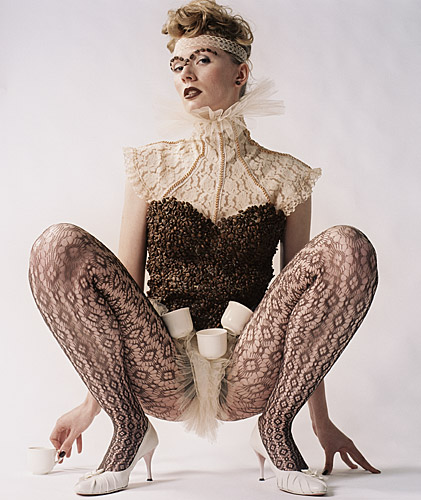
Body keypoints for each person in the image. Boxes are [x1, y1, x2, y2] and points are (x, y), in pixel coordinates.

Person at [28, 0, 380, 496]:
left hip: (250, 367)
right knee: (56, 246)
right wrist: (93, 406)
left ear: (241, 73)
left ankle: (275, 429)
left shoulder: (287, 176)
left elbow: (308, 312)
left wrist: (319, 420)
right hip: (160, 366)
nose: (185, 73)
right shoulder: (150, 167)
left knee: (348, 247)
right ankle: (129, 428)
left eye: (202, 59)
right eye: (177, 64)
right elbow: (119, 296)